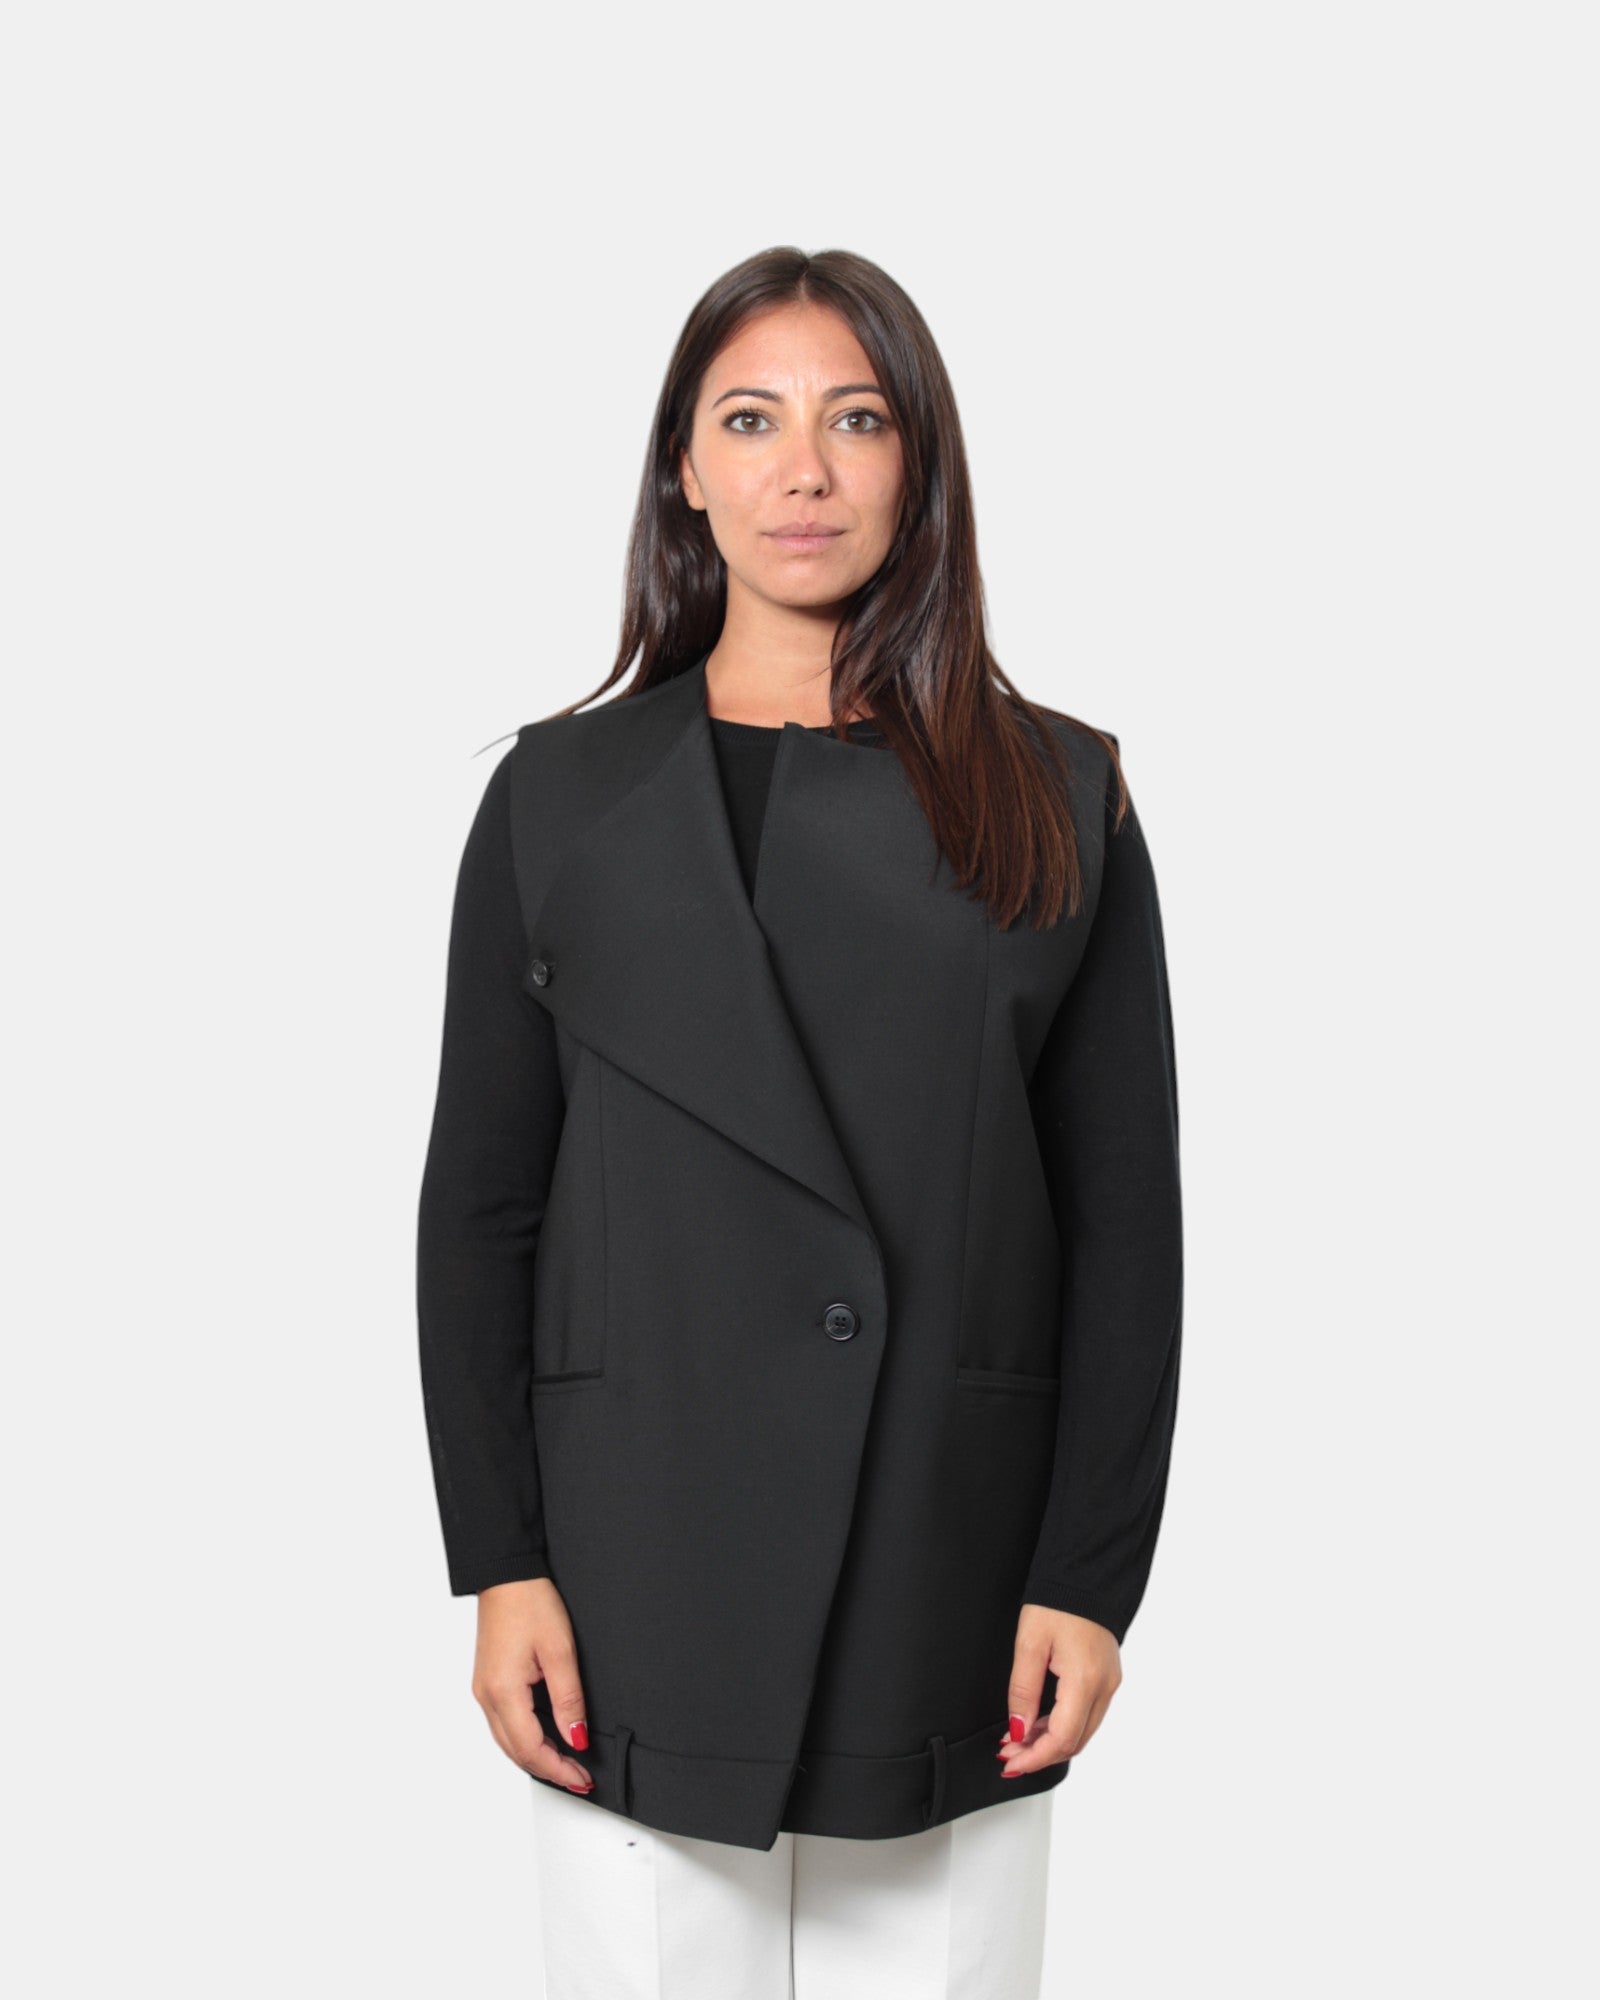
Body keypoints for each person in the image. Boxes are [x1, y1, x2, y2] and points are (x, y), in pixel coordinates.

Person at [416, 245, 1184, 2000]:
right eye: (751, 420)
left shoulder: (1058, 793)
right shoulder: (558, 798)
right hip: (633, 1556)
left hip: (952, 1549)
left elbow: (1126, 1222)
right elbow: (480, 1208)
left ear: (921, 462)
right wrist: (502, 1559)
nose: (805, 471)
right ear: (685, 468)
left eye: (859, 420)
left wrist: (1090, 1575)